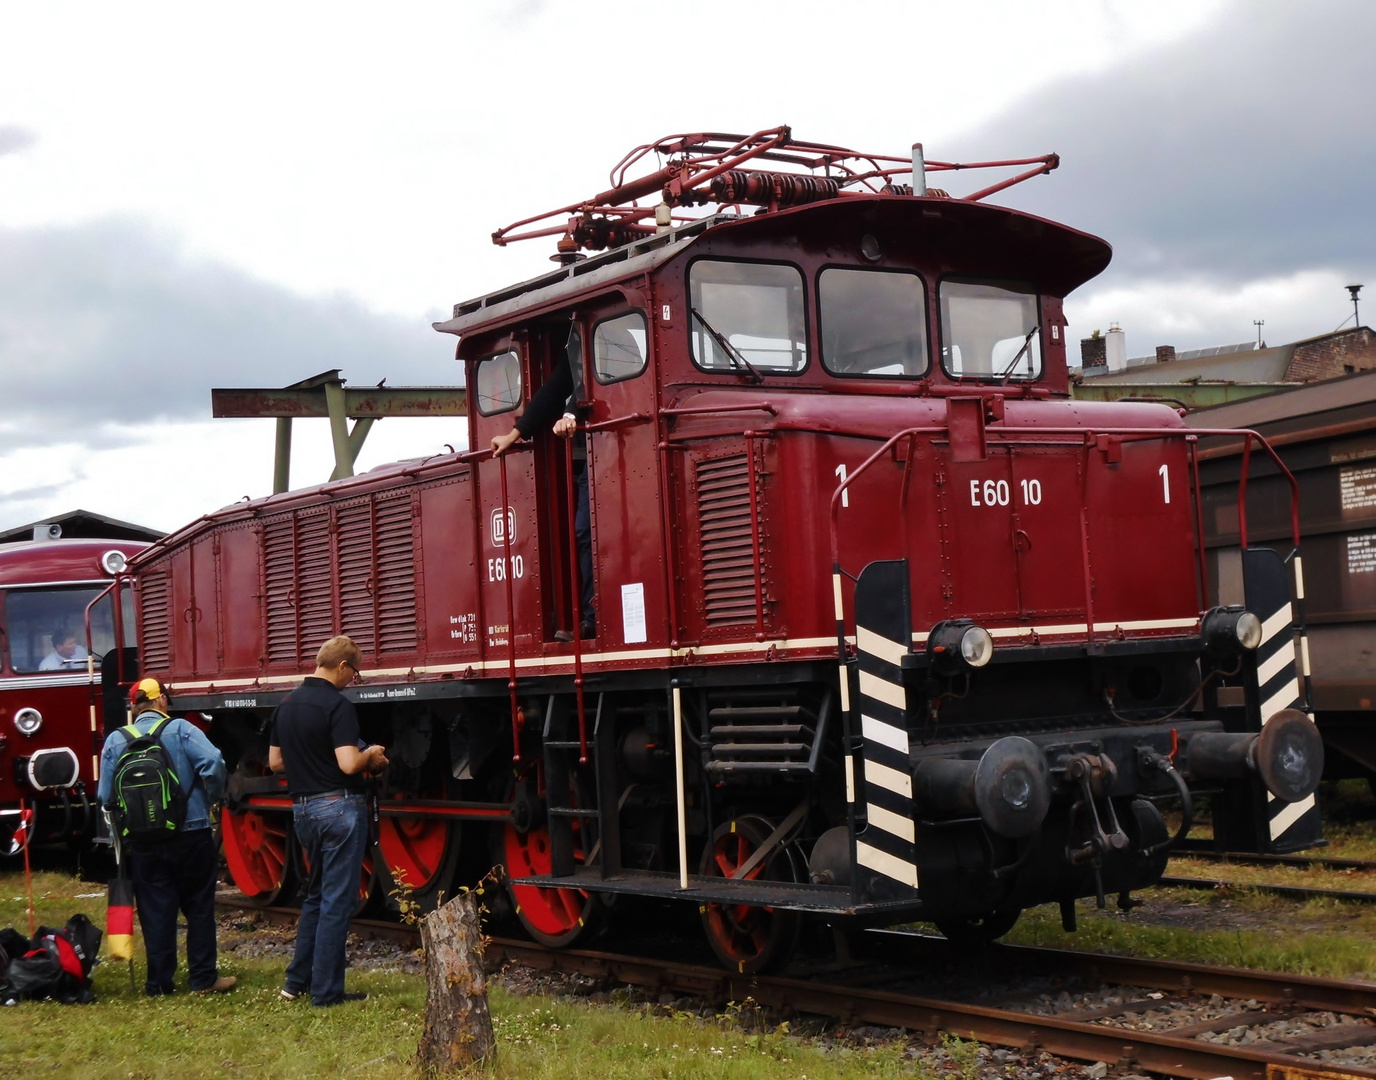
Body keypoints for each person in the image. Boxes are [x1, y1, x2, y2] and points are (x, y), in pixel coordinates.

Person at [268, 636, 388, 1007]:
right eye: (354, 672)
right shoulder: (338, 706)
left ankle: (296, 982)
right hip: (338, 808)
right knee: (337, 901)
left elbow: (275, 763)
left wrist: (311, 759)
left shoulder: (285, 705)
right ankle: (326, 993)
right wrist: (372, 756)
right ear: (341, 667)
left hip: (303, 811)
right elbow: (349, 764)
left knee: (317, 897)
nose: (353, 679)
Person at [96, 677, 234, 996]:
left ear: (134, 707)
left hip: (145, 841)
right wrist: (212, 796)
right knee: (199, 906)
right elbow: (213, 762)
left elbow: (105, 797)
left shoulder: (116, 740)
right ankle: (202, 979)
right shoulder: (182, 730)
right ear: (161, 702)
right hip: (192, 832)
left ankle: (158, 983)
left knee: (156, 910)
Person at [490, 321, 596, 640]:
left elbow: (604, 383)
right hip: (597, 457)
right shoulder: (577, 339)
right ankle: (594, 615)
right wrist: (517, 432)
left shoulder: (618, 339)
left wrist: (571, 415)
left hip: (619, 451)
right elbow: (561, 386)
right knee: (585, 531)